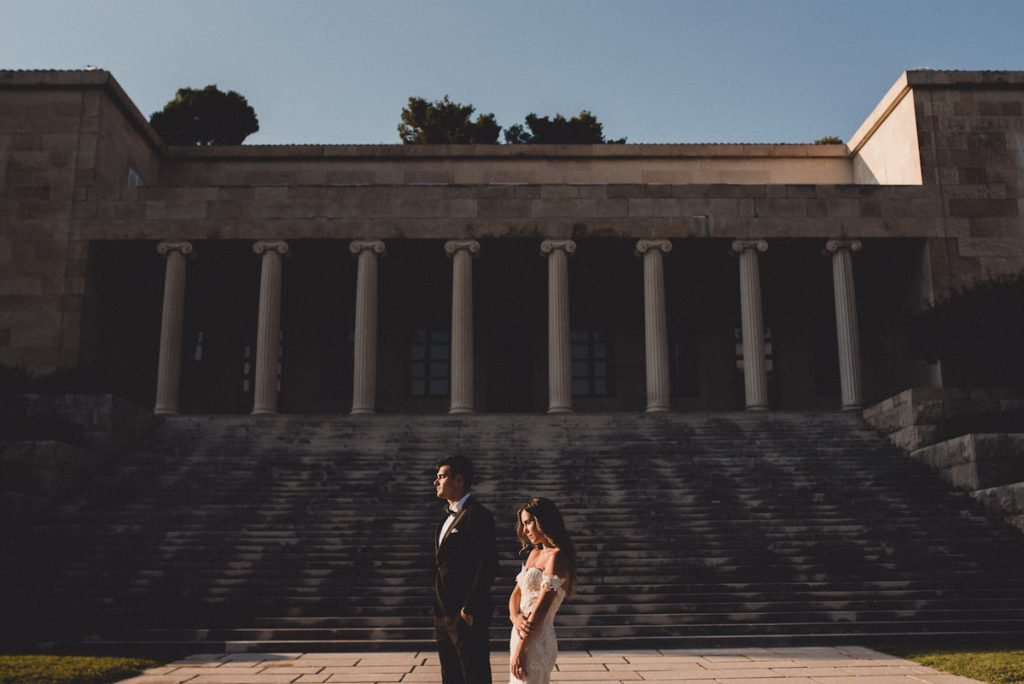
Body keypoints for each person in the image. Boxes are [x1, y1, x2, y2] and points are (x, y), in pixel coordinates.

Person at [433, 455, 498, 684]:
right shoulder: (444, 518)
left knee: (474, 674)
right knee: (450, 676)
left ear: (459, 480)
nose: (436, 482)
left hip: (466, 613)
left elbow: (488, 563)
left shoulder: (478, 515)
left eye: (441, 476)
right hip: (443, 613)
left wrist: (470, 607)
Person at [508, 497, 577, 684]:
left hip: (536, 639)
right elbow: (516, 593)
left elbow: (542, 607)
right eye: (523, 524)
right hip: (520, 632)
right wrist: (515, 617)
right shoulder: (534, 553)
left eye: (529, 522)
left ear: (543, 521)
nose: (525, 530)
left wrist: (522, 648)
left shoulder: (557, 557)